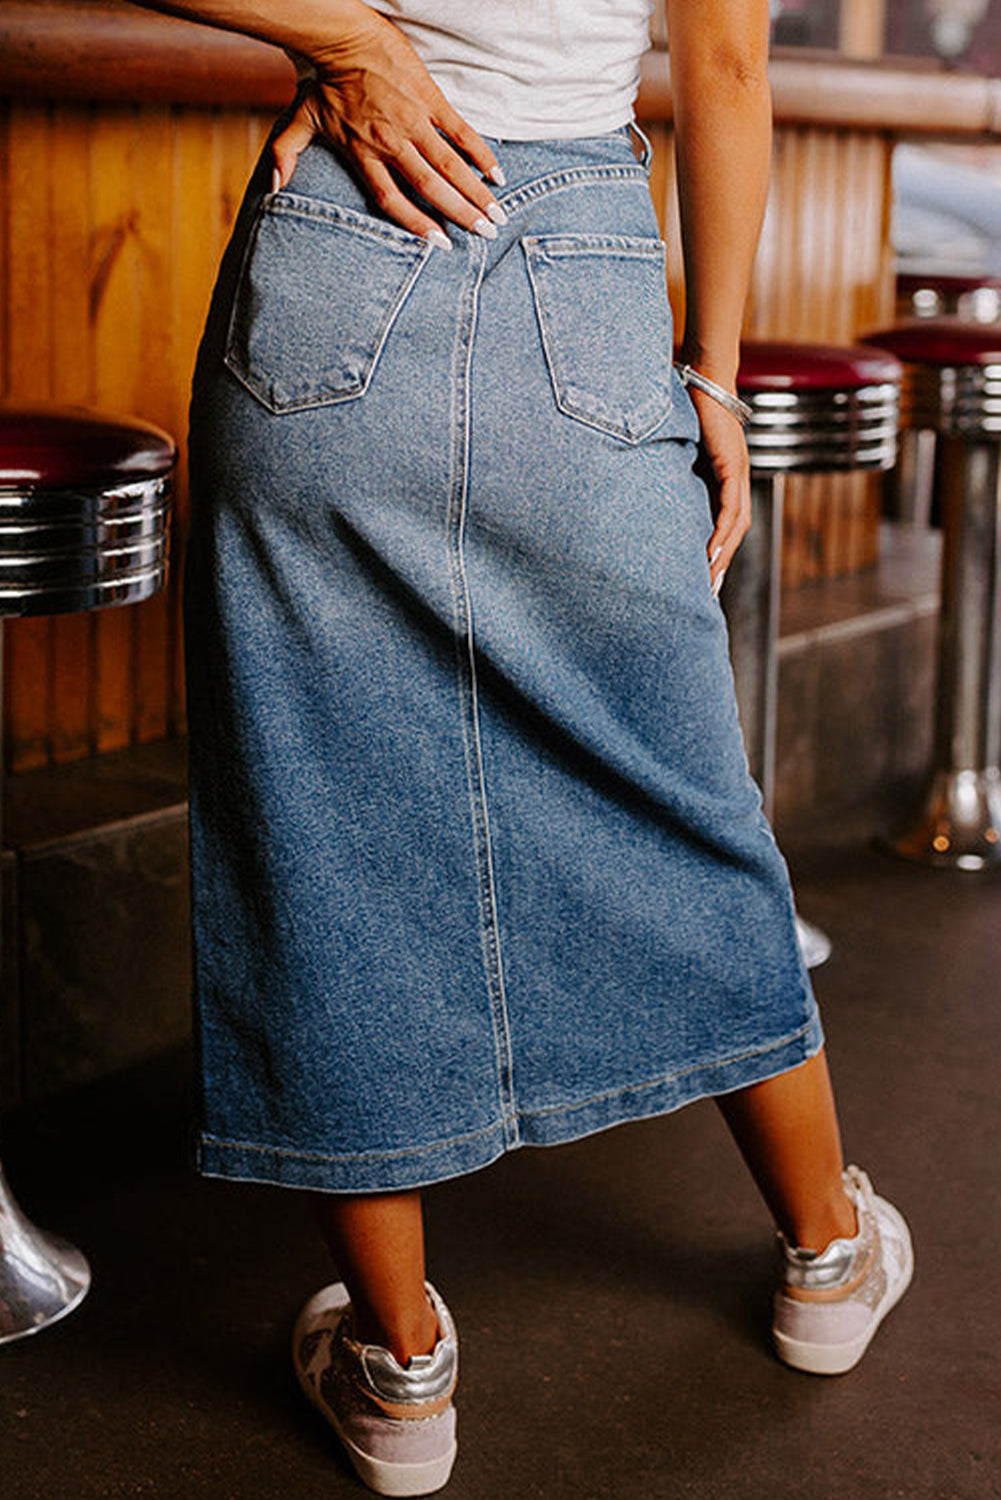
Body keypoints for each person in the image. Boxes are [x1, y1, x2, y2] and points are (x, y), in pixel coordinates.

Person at [134, 2, 913, 1493]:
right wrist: (714, 372)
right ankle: (824, 1254)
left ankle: (401, 1365)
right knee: (674, 782)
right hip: (581, 257)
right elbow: (728, 66)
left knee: (323, 809)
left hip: (343, 226)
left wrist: (344, 45)